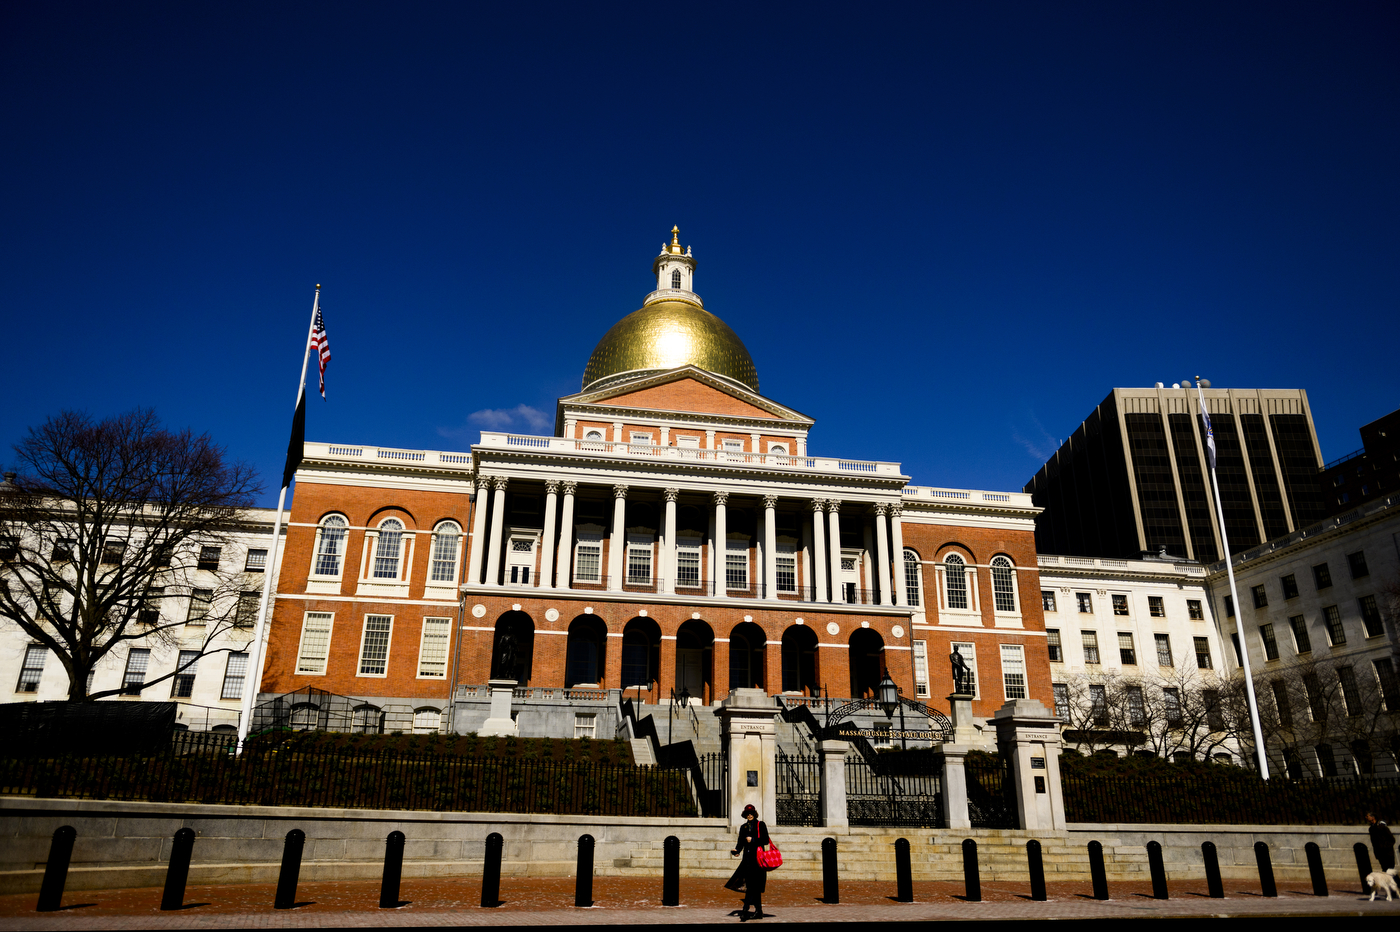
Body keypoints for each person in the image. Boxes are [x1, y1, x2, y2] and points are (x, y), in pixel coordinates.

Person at [725, 804, 770, 920]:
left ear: (754, 814)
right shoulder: (743, 827)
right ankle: (759, 911)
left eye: (751, 813)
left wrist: (753, 840)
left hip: (758, 859)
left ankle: (745, 911)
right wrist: (737, 850)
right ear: (745, 815)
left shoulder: (760, 825)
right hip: (747, 860)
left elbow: (765, 840)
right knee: (753, 886)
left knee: (752, 886)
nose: (749, 815)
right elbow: (740, 842)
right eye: (747, 813)